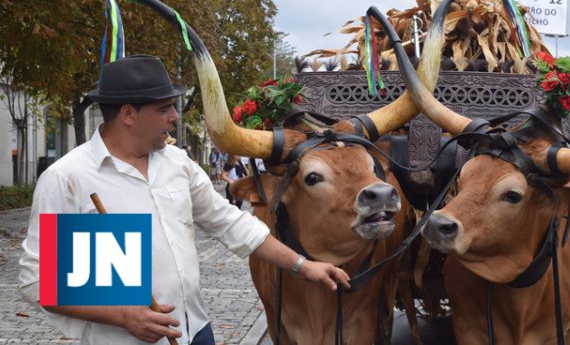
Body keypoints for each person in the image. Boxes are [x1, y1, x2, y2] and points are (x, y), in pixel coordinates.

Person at [17, 55, 349, 345]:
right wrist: (122, 316)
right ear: (129, 114)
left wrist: (303, 266)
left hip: (197, 332)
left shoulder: (176, 162)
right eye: (164, 109)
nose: (175, 117)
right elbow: (39, 282)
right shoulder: (68, 177)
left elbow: (230, 223)